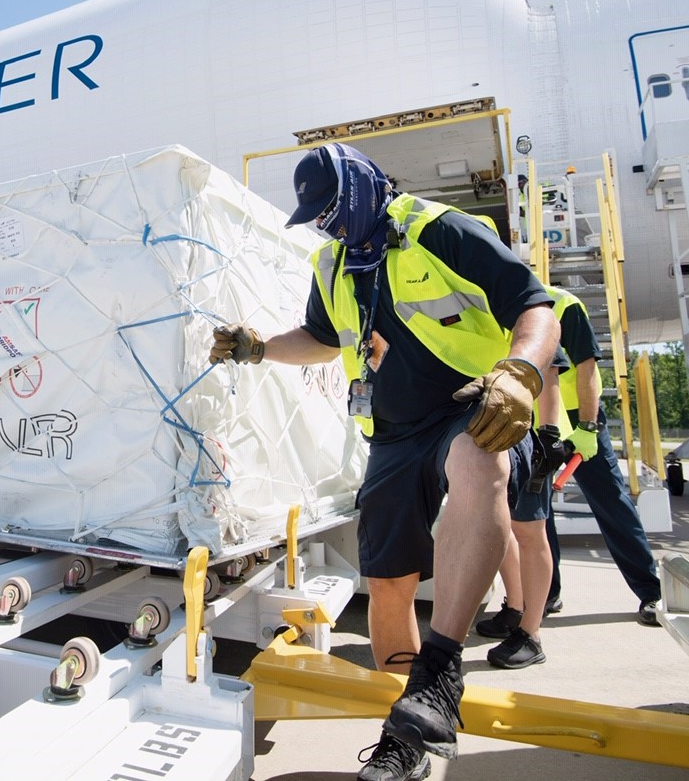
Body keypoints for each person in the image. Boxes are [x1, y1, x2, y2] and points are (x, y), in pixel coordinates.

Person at [209, 143, 558, 781]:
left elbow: (536, 306)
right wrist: (258, 347)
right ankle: (408, 732)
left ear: (369, 188)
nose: (328, 224)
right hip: (393, 432)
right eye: (318, 216)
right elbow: (320, 338)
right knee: (388, 585)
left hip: (469, 404)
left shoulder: (441, 229)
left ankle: (440, 669)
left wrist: (522, 374)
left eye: (336, 208)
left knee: (482, 467)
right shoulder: (331, 263)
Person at [537, 285, 661, 625]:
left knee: (612, 505)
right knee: (537, 516)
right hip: (540, 421)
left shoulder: (565, 304)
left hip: (579, 420)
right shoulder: (508, 301)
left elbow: (587, 367)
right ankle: (546, 595)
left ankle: (651, 593)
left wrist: (589, 428)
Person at [474, 360, 571, 669]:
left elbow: (549, 371)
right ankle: (515, 608)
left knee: (529, 530)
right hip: (494, 430)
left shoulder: (537, 313)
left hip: (531, 436)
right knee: (500, 524)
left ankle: (531, 634)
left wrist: (549, 433)